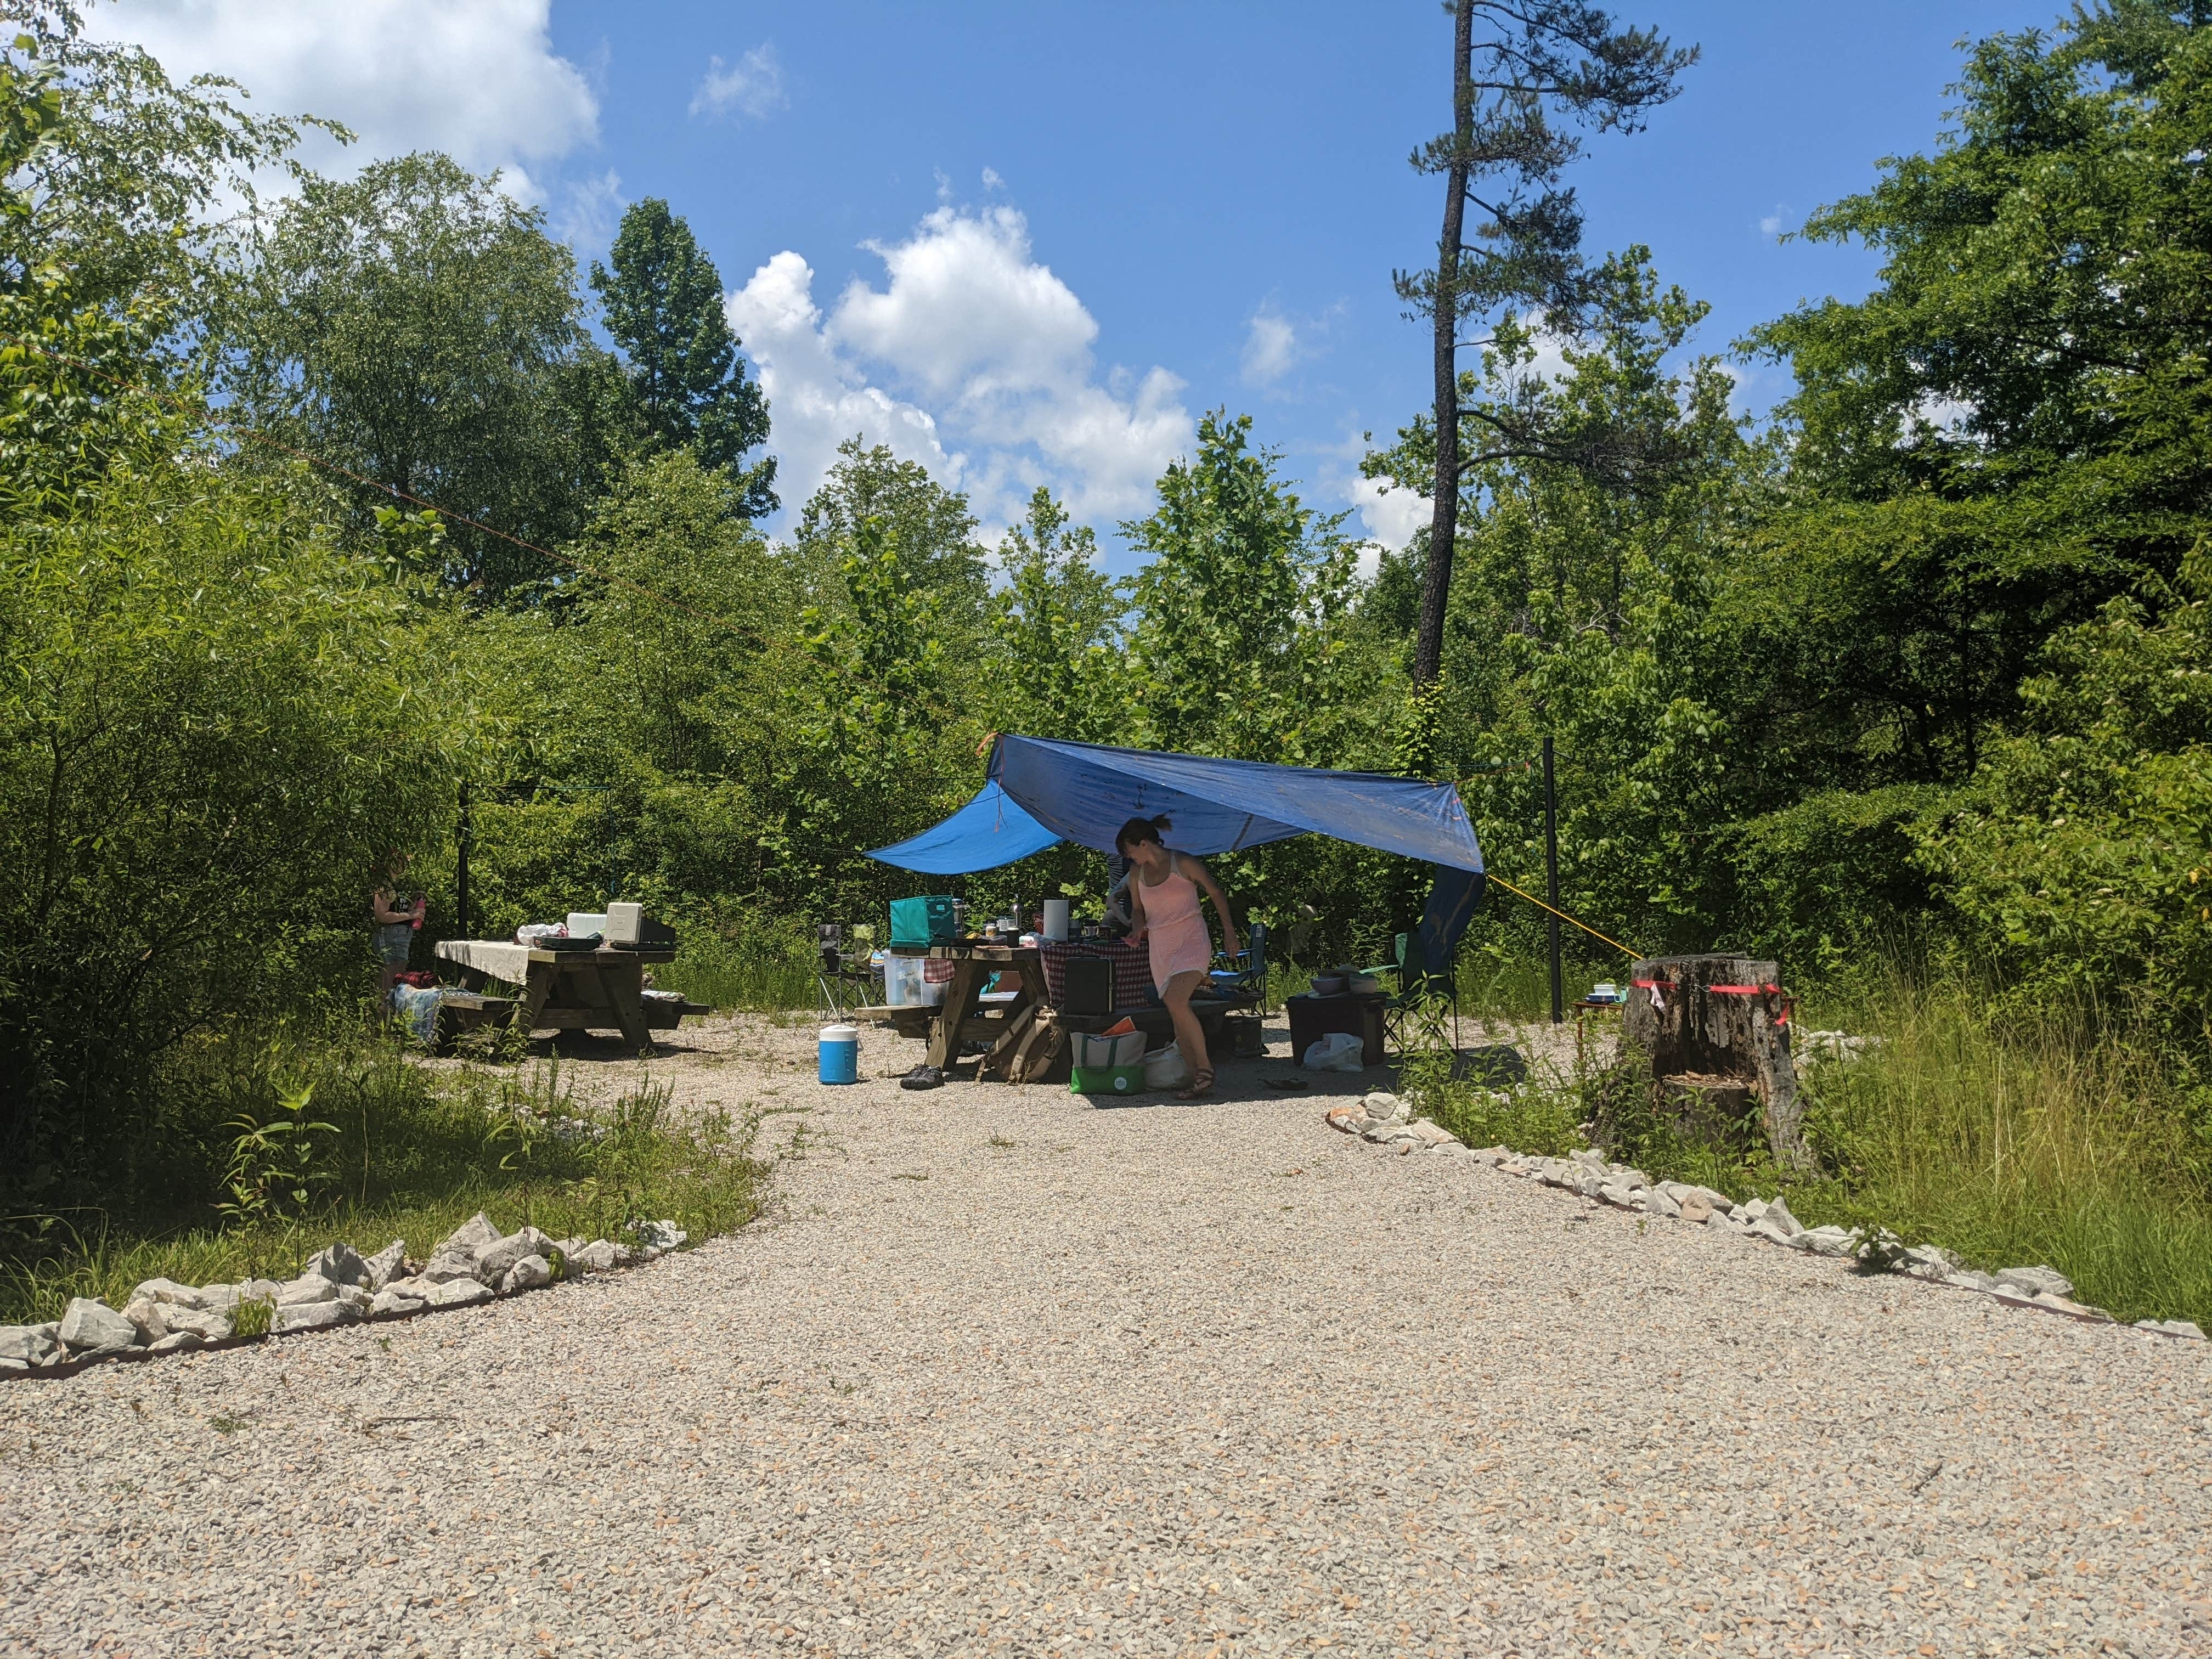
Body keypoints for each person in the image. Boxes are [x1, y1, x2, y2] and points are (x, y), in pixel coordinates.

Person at [1116, 814, 1238, 1100]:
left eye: (1129, 851)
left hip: (1191, 940)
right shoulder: (1137, 874)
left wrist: (1229, 933)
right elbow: (1138, 911)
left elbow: (1216, 893)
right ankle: (1196, 1078)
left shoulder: (1182, 863)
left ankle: (1205, 1070)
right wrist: (1136, 931)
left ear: (1143, 843)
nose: (1129, 858)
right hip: (1161, 947)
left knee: (1175, 1000)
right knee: (1176, 1012)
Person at [370, 853, 425, 998]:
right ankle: (380, 1016)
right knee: (388, 981)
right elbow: (382, 915)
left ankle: (390, 1016)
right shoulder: (384, 885)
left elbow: (397, 910)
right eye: (400, 861)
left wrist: (414, 906)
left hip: (402, 935)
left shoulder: (397, 885)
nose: (403, 865)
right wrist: (411, 916)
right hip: (389, 936)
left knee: (397, 978)